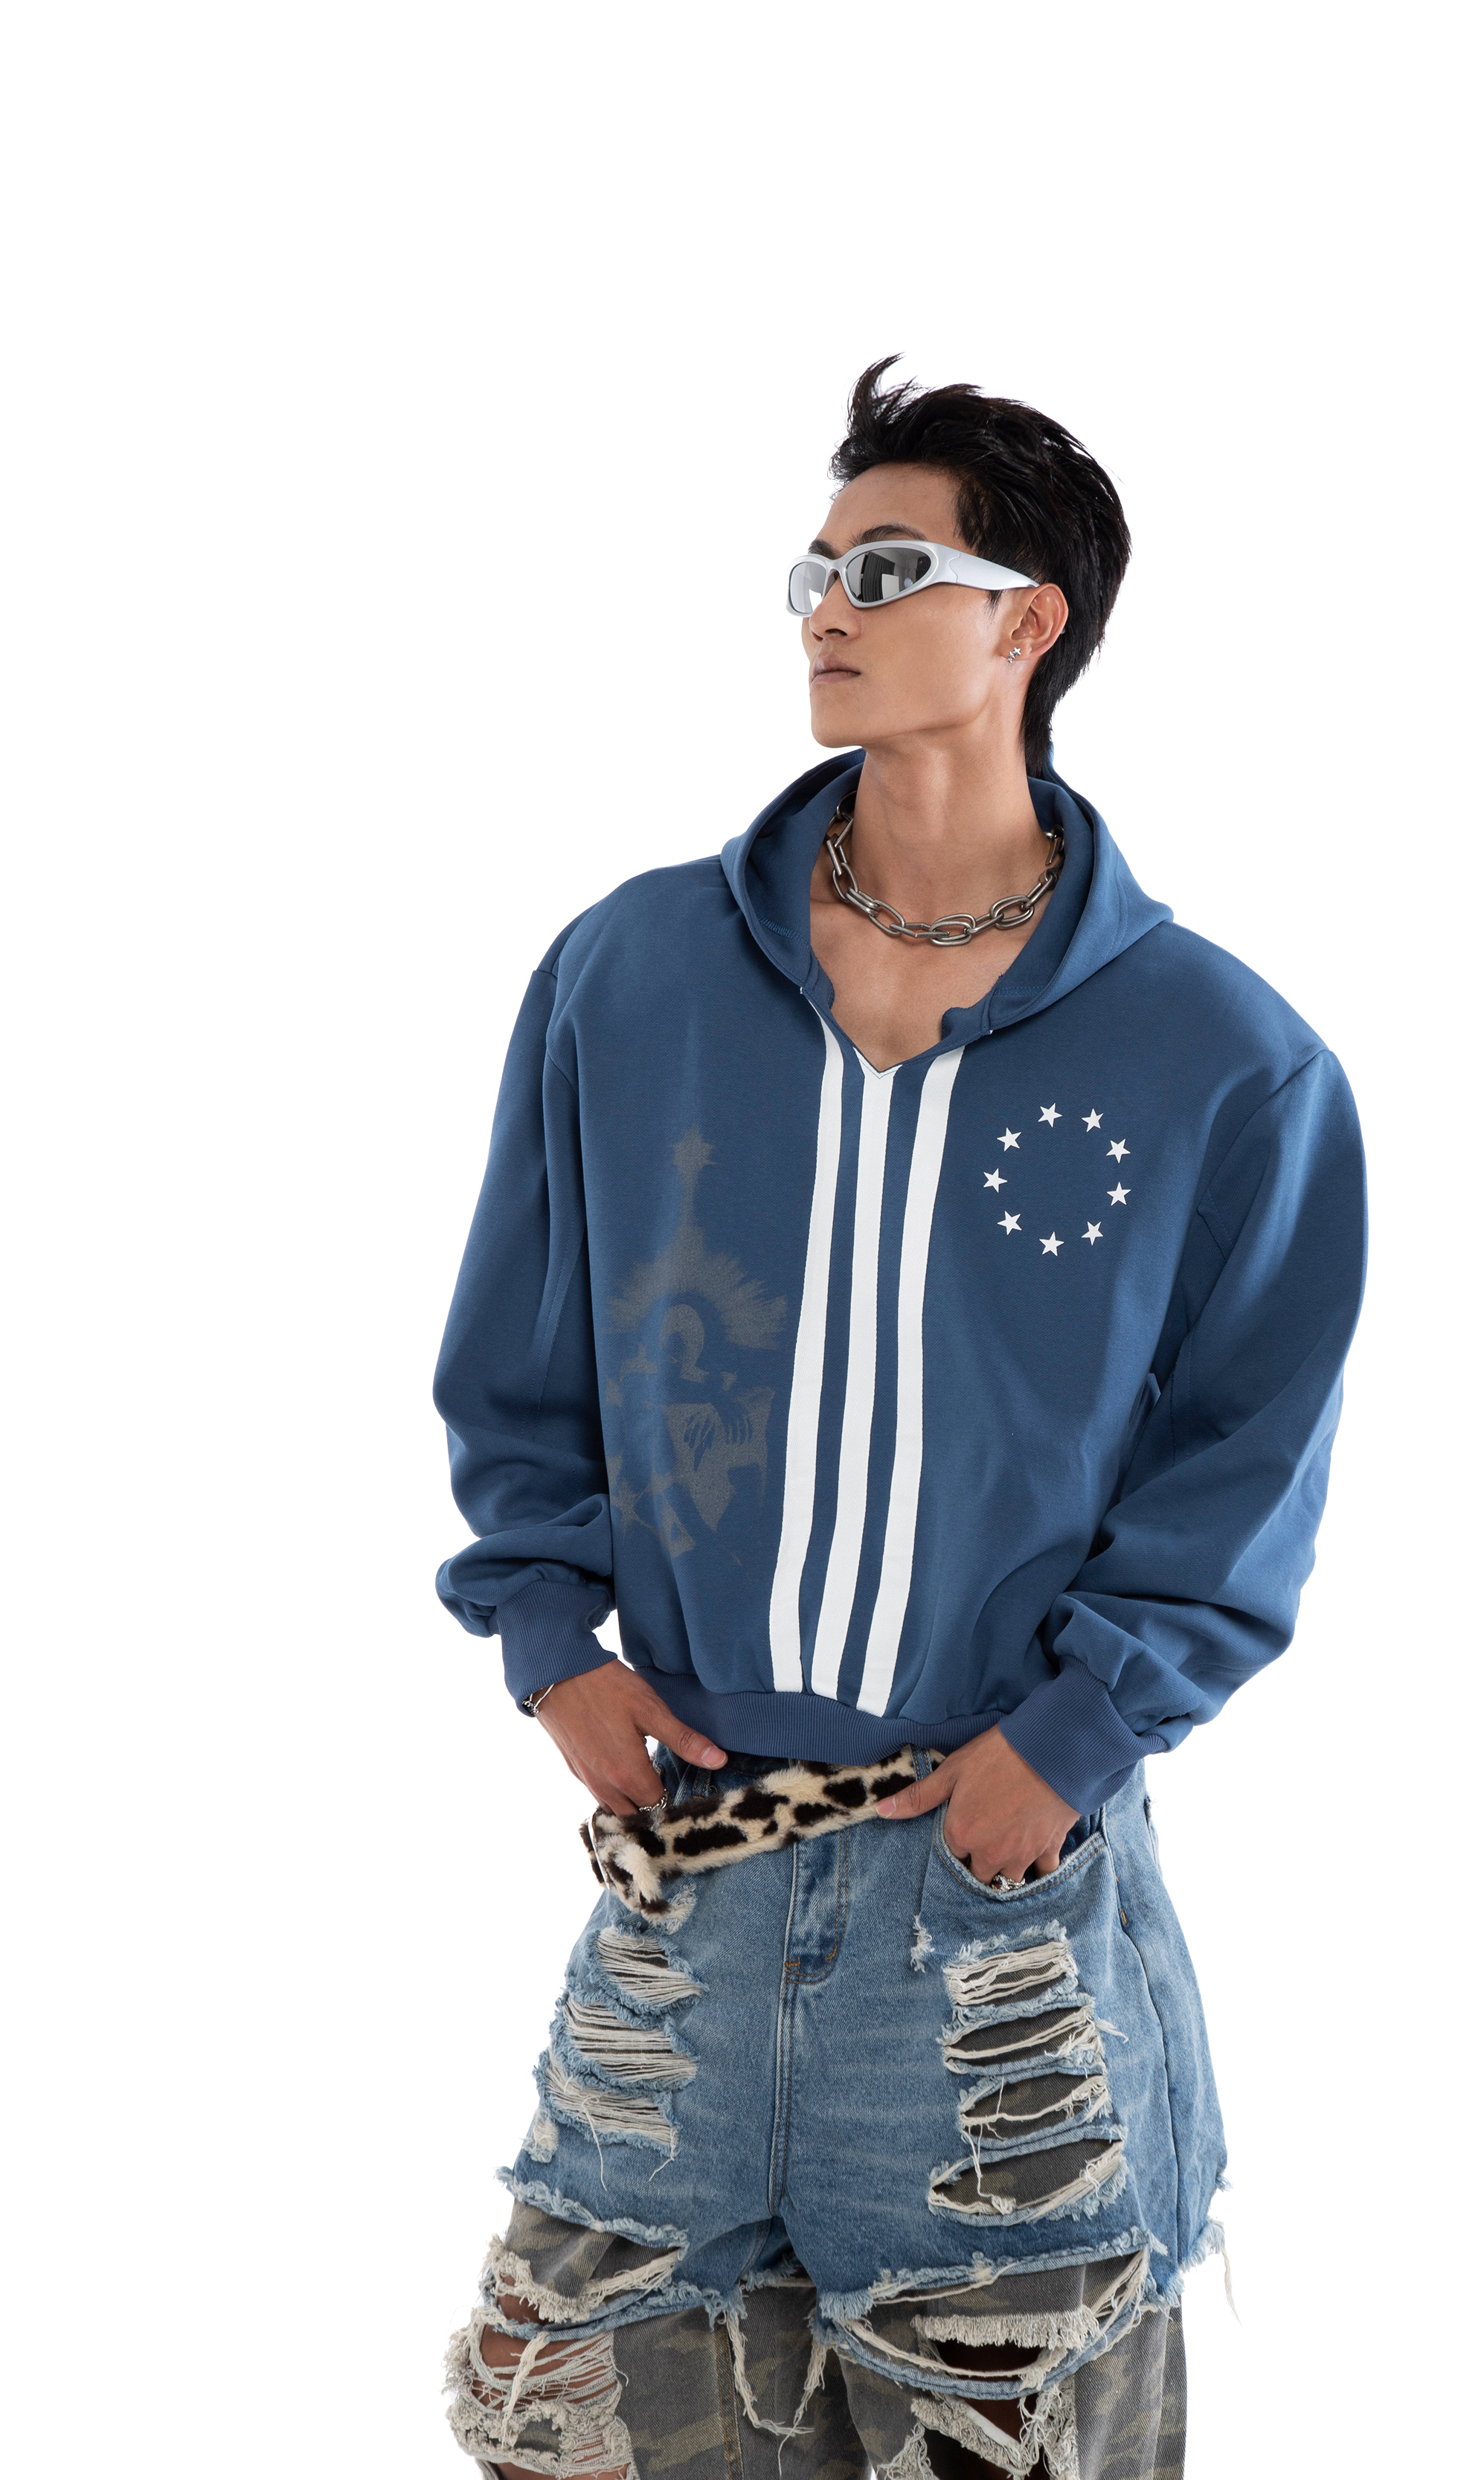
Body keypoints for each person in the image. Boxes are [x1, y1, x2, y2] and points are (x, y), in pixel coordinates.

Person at [434, 358, 1368, 2479]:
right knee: (571, 2421)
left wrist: (1077, 1736)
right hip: (686, 1876)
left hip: (990, 1904)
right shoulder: (633, 977)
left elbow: (1251, 1447)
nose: (823, 613)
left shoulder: (1222, 1056)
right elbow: (522, 1343)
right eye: (813, 572)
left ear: (1027, 618)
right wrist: (550, 1639)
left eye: (884, 569)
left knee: (1015, 2433)